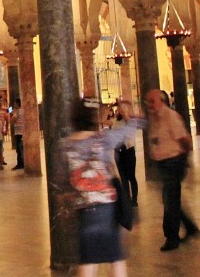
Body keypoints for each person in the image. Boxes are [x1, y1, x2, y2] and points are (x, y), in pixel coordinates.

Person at [63, 99, 144, 277]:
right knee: (116, 259)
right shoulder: (102, 139)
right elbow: (131, 128)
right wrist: (130, 113)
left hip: (84, 208)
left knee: (88, 261)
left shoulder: (68, 144)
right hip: (106, 207)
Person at [145, 89, 200, 251]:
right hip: (162, 163)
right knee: (170, 199)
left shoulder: (171, 116)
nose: (149, 105)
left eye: (152, 101)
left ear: (161, 101)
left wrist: (185, 160)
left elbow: (185, 140)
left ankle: (171, 237)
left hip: (173, 162)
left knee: (170, 201)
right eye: (148, 102)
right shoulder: (154, 118)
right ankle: (190, 227)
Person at [114, 102, 138, 206]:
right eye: (120, 108)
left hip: (129, 151)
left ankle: (134, 199)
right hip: (119, 151)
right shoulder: (117, 122)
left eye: (124, 108)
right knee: (123, 178)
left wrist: (126, 114)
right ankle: (127, 199)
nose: (122, 110)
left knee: (131, 176)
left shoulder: (131, 121)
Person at [11, 99, 25, 170]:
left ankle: (20, 164)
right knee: (22, 148)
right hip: (23, 131)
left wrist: (11, 118)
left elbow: (13, 120)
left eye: (15, 104)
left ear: (17, 104)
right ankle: (23, 162)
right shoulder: (23, 110)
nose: (14, 105)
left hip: (18, 132)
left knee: (19, 149)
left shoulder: (17, 111)